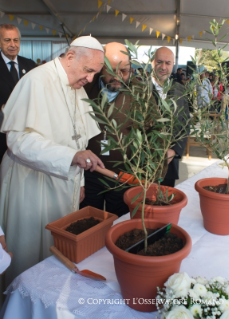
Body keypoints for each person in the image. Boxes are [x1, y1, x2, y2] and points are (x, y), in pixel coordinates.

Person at [0, 35, 105, 285]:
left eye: (94, 73)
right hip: (29, 184)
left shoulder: (76, 85)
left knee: (56, 249)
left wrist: (79, 181)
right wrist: (72, 157)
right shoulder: (36, 80)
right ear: (70, 57)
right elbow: (18, 141)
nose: (90, 79)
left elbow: (78, 139)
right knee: (29, 252)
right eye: (88, 70)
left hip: (63, 182)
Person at [80, 42, 132, 217]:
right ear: (101, 67)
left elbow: (154, 129)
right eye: (112, 71)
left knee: (119, 222)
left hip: (123, 175)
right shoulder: (84, 88)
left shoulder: (140, 93)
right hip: (89, 174)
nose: (118, 77)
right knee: (88, 220)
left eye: (124, 71)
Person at [151, 47, 189, 187]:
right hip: (142, 164)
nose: (163, 67)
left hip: (169, 165)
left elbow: (185, 125)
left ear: (173, 65)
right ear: (152, 62)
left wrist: (174, 151)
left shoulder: (180, 90)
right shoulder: (139, 88)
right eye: (159, 62)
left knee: (166, 203)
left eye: (168, 63)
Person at [0, 24, 37, 162]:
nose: (12, 44)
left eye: (16, 40)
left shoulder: (30, 65)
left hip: (26, 130)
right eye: (7, 40)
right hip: (2, 130)